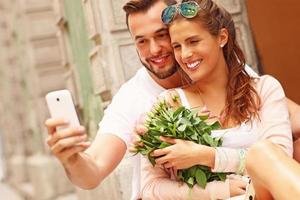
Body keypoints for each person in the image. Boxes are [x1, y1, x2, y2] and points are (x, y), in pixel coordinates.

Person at [45, 0, 300, 199]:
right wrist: (72, 158)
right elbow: (96, 172)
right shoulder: (143, 101)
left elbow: (284, 129)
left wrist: (206, 155)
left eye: (161, 36)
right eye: (142, 42)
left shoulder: (246, 80)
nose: (154, 50)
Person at [135, 0, 293, 199]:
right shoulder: (168, 105)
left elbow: (279, 161)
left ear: (222, 37)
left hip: (263, 194)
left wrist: (207, 156)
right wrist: (218, 190)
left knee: (263, 153)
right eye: (177, 46)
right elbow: (150, 189)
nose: (185, 54)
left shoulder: (264, 89)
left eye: (193, 41)